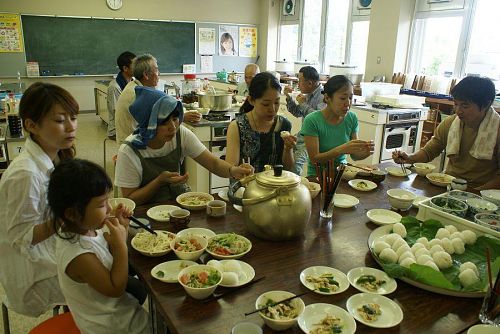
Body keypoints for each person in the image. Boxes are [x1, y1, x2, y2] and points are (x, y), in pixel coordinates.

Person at [0, 82, 78, 316]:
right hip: (33, 272)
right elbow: (22, 238)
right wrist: (70, 218)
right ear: (31, 125)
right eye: (60, 120)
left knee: (117, 256)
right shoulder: (25, 174)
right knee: (120, 284)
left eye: (73, 117)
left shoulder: (52, 157)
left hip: (53, 247)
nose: (71, 127)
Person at [48, 159, 151, 334]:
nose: (109, 207)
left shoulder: (86, 229)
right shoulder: (78, 255)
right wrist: (120, 246)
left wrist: (123, 228)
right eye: (102, 204)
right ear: (72, 214)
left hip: (122, 315)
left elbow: (109, 261)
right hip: (114, 327)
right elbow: (115, 288)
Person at [115, 86, 253, 205]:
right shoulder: (129, 150)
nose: (173, 127)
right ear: (148, 124)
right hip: (143, 212)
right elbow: (130, 199)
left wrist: (234, 171)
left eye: (175, 118)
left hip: (177, 204)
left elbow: (213, 164)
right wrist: (159, 181)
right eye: (164, 122)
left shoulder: (181, 134)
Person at [393, 76, 500, 190]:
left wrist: (473, 193)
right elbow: (429, 151)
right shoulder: (451, 123)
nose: (458, 110)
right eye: (455, 104)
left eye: (465, 105)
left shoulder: (497, 129)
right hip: (449, 184)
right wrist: (408, 158)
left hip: (483, 194)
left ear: (486, 105)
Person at [114, 54, 201, 143]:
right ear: (146, 75)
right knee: (182, 136)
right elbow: (157, 122)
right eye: (156, 69)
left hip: (131, 137)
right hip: (132, 143)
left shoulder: (135, 86)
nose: (159, 73)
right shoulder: (137, 93)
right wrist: (182, 117)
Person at [302, 75, 374, 177]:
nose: (348, 103)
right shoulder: (312, 120)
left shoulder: (352, 118)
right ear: (327, 98)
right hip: (317, 176)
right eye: (343, 98)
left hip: (342, 174)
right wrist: (341, 149)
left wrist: (366, 152)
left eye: (350, 97)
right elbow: (314, 159)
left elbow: (354, 155)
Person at [226, 72, 297, 173]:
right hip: (245, 187)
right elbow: (230, 169)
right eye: (266, 104)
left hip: (275, 187)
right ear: (251, 100)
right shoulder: (237, 126)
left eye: (276, 102)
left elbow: (289, 169)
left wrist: (288, 149)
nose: (272, 109)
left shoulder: (284, 125)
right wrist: (241, 169)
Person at [284, 66, 326, 175]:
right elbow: (297, 113)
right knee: (285, 152)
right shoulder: (309, 95)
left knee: (296, 162)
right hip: (303, 135)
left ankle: (295, 186)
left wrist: (303, 104)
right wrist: (289, 98)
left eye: (299, 81)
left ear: (310, 83)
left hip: (314, 138)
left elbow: (318, 120)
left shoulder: (323, 96)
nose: (298, 84)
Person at [106, 51, 136, 140]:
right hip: (117, 131)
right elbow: (119, 112)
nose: (138, 68)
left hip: (129, 125)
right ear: (125, 68)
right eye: (134, 65)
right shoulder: (114, 86)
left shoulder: (133, 82)